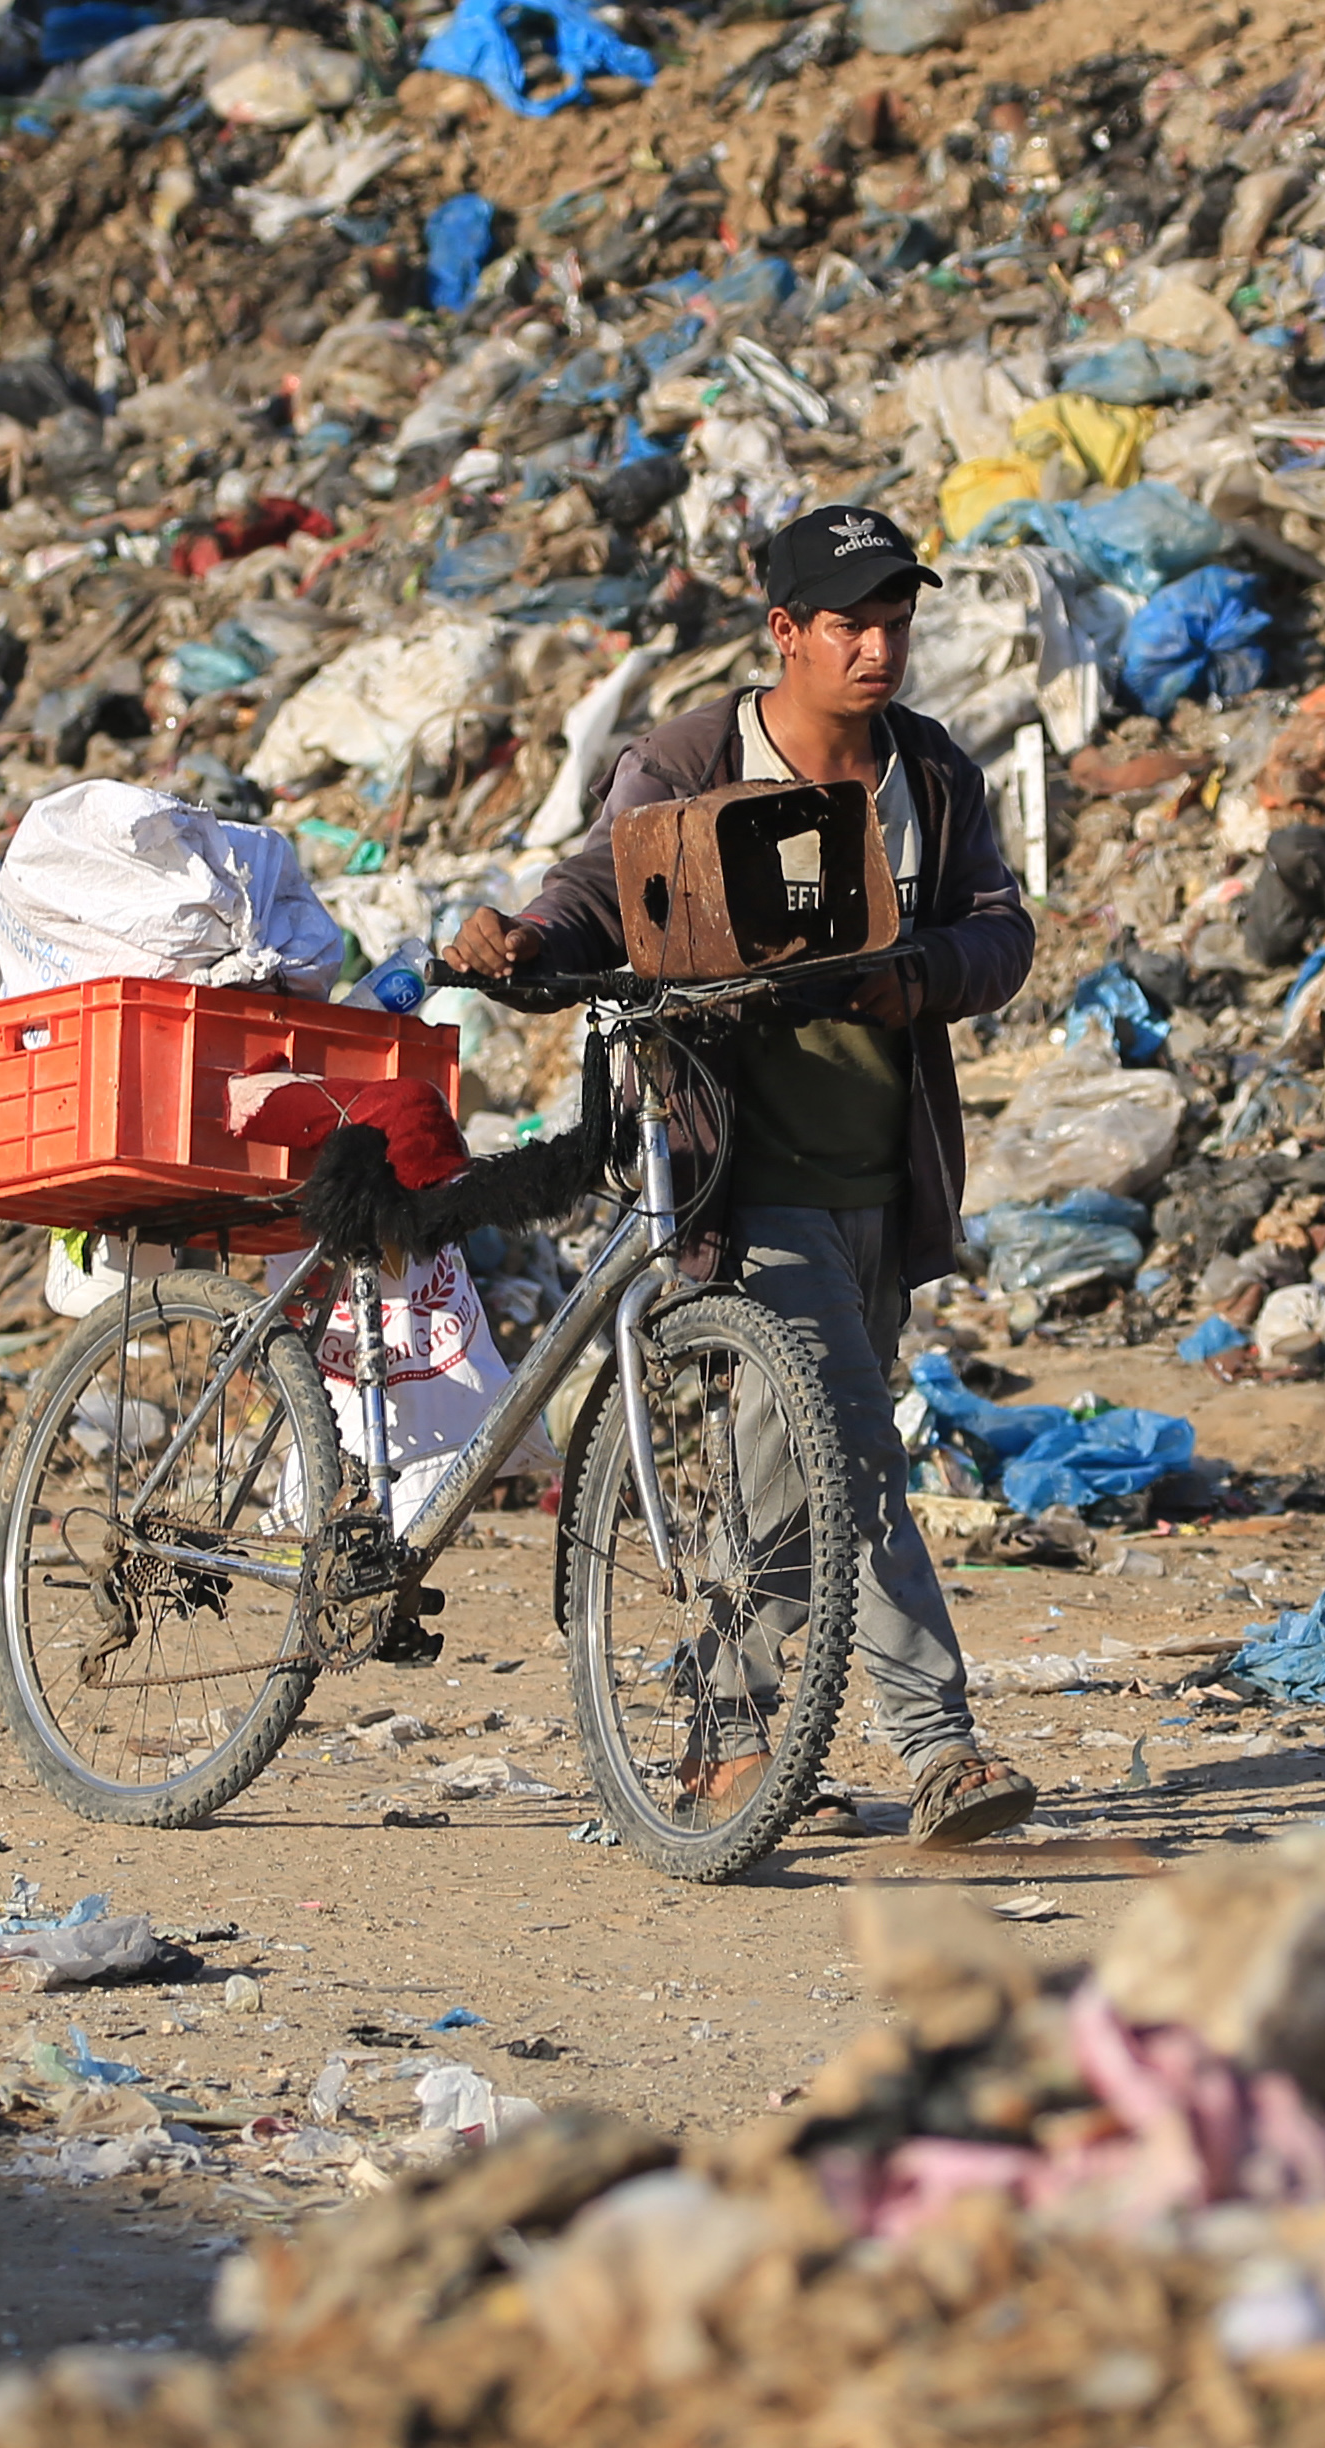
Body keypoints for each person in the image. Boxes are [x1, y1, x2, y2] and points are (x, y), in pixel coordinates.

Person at [444, 503, 1042, 1849]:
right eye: (852, 623)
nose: (880, 646)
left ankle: (734, 1743)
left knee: (793, 1476)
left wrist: (919, 975)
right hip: (736, 1173)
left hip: (881, 1179)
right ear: (785, 632)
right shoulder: (689, 759)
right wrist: (520, 939)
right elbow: (596, 893)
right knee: (846, 1449)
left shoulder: (931, 774)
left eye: (897, 620)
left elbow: (1000, 932)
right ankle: (940, 1747)